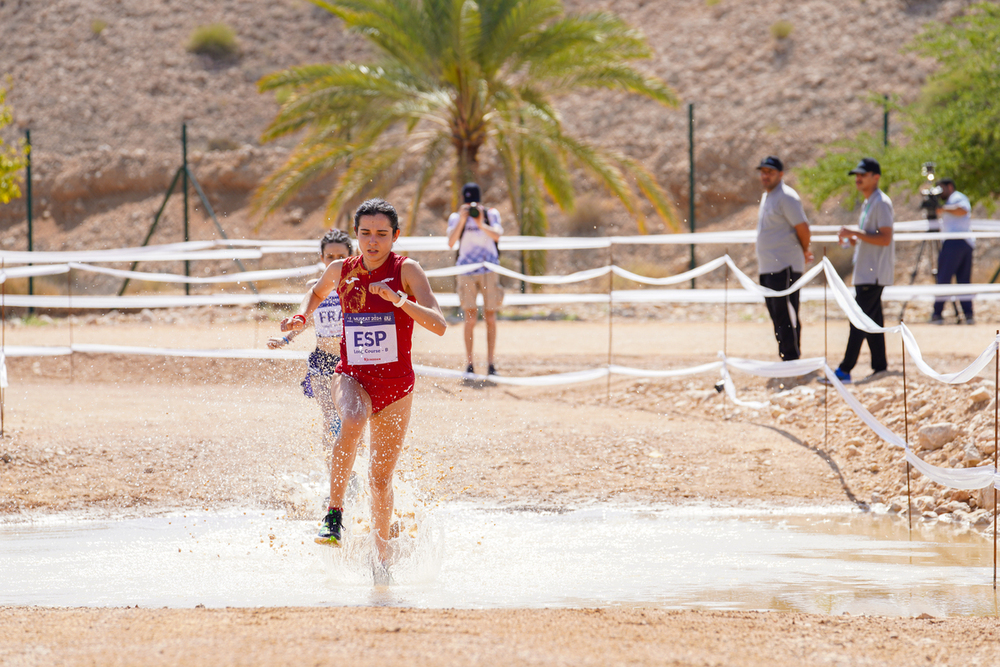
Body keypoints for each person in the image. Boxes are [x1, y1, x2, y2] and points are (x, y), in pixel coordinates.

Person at [280, 198, 446, 581]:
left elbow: (438, 324)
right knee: (352, 417)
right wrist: (303, 315)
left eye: (382, 234)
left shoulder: (407, 270)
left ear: (395, 236)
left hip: (397, 388)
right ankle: (333, 514)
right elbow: (317, 292)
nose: (373, 242)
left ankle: (381, 561)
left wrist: (400, 300)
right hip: (351, 375)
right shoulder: (342, 269)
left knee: (379, 480)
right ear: (356, 236)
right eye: (366, 233)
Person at [268, 229, 352, 451]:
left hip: (350, 362)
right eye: (330, 257)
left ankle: (355, 470)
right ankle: (331, 474)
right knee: (331, 418)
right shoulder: (314, 287)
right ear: (322, 258)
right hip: (322, 360)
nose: (335, 261)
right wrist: (286, 339)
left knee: (351, 420)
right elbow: (307, 319)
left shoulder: (355, 285)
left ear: (351, 256)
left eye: (341, 256)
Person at [829, 157, 895, 385]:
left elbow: (885, 238)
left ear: (876, 177)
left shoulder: (881, 203)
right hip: (866, 271)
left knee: (857, 319)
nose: (858, 178)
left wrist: (855, 233)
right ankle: (880, 367)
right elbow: (872, 238)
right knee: (872, 321)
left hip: (873, 273)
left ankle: (844, 370)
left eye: (862, 174)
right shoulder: (869, 203)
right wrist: (854, 238)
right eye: (856, 175)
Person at [754, 156, 813, 362]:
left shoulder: (787, 197)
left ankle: (792, 358)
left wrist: (805, 250)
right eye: (763, 172)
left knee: (787, 314)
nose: (765, 176)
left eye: (770, 172)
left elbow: (803, 228)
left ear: (780, 174)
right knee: (776, 314)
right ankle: (785, 356)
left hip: (784, 266)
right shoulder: (768, 196)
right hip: (768, 267)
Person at [447, 182, 504, 375]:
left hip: (489, 269)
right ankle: (470, 364)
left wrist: (480, 222)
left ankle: (491, 364)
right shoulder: (456, 218)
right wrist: (463, 221)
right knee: (470, 318)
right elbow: (451, 242)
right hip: (466, 271)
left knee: (490, 317)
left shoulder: (490, 214)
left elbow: (497, 236)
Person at [931, 178, 975, 325]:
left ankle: (938, 313)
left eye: (941, 188)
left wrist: (943, 208)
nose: (940, 192)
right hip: (960, 242)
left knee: (945, 278)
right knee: (960, 280)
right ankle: (967, 314)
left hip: (956, 242)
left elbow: (963, 209)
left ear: (949, 187)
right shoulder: (950, 200)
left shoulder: (957, 197)